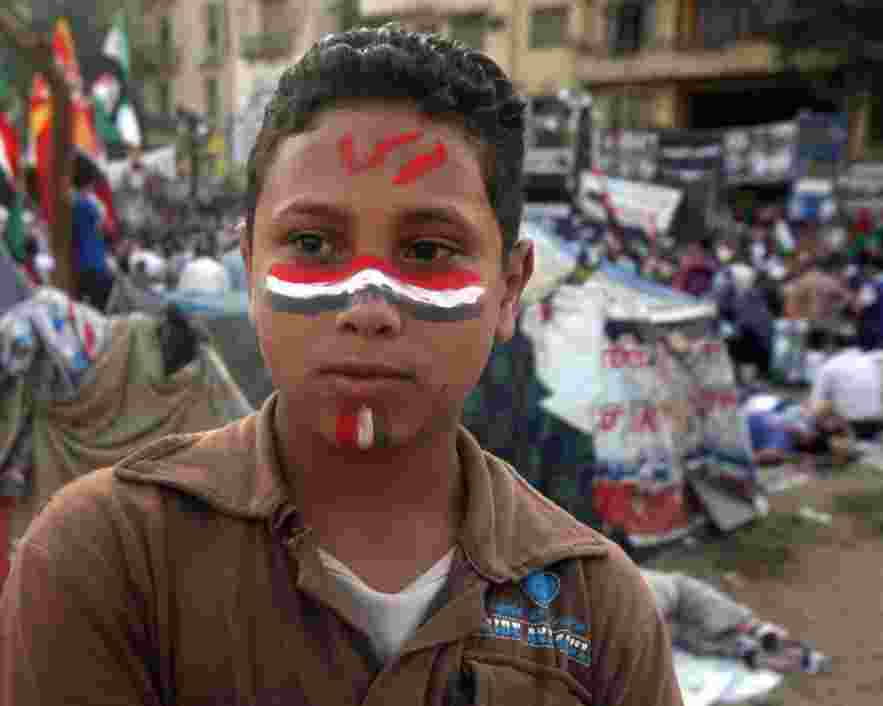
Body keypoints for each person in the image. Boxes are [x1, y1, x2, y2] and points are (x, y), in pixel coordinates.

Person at [0, 27, 684, 705]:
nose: (367, 307)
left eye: (426, 251)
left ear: (510, 288)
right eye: (312, 242)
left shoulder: (600, 612)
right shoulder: (104, 562)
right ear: (250, 267)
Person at [809, 324, 883, 441]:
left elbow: (815, 409)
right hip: (877, 425)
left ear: (831, 345)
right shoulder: (872, 362)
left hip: (848, 428)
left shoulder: (829, 366)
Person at [70, 162, 115, 311]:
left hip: (78, 269)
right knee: (101, 312)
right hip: (96, 267)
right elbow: (108, 229)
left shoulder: (70, 203)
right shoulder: (90, 205)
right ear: (90, 182)